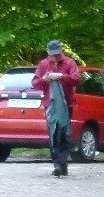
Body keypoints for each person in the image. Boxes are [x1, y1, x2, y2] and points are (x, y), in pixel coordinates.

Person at [32, 40, 81, 176]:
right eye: (52, 55)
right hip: (50, 105)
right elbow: (35, 83)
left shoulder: (70, 63)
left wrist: (62, 76)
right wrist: (44, 79)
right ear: (48, 53)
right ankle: (58, 164)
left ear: (61, 51)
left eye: (57, 54)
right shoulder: (43, 64)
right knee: (53, 134)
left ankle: (61, 164)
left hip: (67, 104)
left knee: (64, 133)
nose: (55, 57)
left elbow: (76, 79)